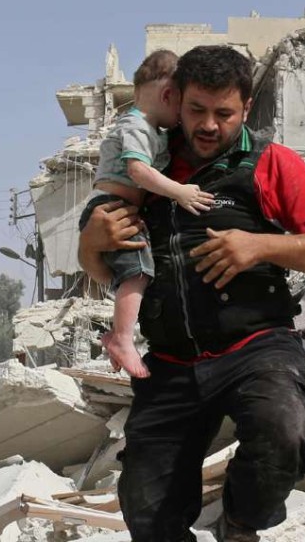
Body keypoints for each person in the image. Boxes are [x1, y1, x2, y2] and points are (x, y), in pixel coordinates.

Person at [78, 45, 305, 541]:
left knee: (285, 431)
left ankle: (241, 524)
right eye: (196, 111)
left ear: (246, 109)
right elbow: (101, 270)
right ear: (176, 100)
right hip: (171, 360)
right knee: (146, 507)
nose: (209, 126)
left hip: (255, 348)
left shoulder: (271, 164)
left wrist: (259, 246)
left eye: (224, 114)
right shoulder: (147, 165)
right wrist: (89, 242)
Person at [78, 49, 214, 378]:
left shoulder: (154, 131)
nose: (182, 118)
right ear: (168, 95)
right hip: (111, 209)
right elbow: (138, 171)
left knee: (135, 277)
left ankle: (117, 335)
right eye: (182, 107)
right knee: (137, 274)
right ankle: (122, 339)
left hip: (123, 211)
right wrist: (180, 192)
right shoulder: (136, 127)